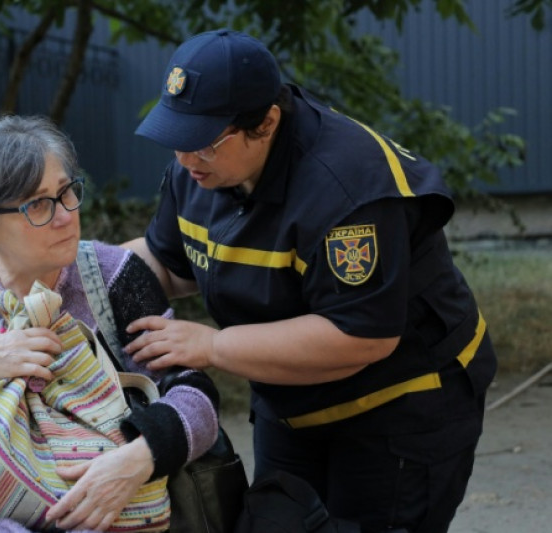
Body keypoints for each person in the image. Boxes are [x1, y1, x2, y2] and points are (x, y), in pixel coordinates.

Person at [122, 29, 497, 533]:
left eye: (204, 144)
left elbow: (361, 335)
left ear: (267, 123)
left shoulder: (346, 190)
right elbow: (169, 263)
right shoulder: (198, 171)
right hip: (293, 401)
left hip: (401, 406)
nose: (187, 160)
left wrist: (213, 345)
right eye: (177, 139)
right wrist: (80, 273)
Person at [0, 115, 221, 533]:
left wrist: (138, 458)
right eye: (37, 204)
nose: (64, 216)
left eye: (66, 193)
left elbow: (195, 398)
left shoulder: (115, 276)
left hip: (101, 505)